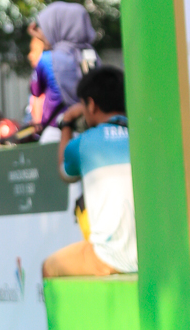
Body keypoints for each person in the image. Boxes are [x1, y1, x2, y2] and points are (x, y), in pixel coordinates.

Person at [43, 65, 136, 278]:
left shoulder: (83, 143)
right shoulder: (144, 135)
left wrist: (67, 124)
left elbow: (65, 173)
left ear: (91, 105)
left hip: (109, 257)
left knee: (49, 268)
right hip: (153, 254)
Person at [27, 1, 96, 138]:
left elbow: (35, 91)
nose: (44, 32)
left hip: (58, 130)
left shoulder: (48, 58)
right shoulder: (91, 55)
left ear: (57, 26)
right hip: (88, 129)